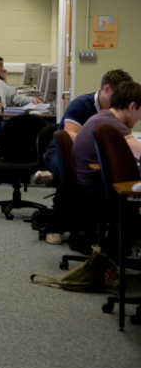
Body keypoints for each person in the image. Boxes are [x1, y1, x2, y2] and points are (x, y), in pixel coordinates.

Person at [61, 81, 141, 247]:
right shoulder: (111, 123)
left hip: (86, 186)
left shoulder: (102, 117)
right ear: (132, 106)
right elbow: (139, 153)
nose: (140, 118)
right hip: (94, 190)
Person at [61, 69, 133, 140]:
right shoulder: (80, 104)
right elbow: (70, 135)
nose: (123, 98)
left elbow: (125, 137)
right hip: (61, 150)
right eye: (120, 94)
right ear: (106, 89)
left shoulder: (118, 109)